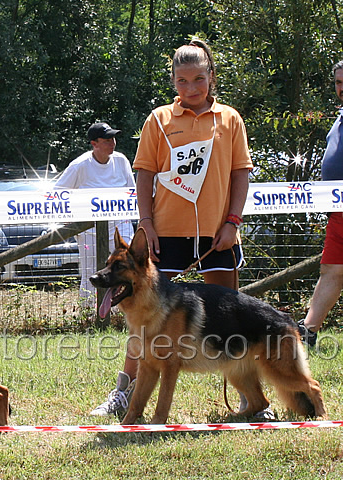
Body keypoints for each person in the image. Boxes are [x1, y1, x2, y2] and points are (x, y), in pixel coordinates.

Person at [90, 39, 258, 419]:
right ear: (173, 83)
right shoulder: (159, 119)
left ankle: (250, 400)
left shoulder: (229, 120)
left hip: (219, 236)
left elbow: (240, 174)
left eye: (199, 79)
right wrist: (146, 225)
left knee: (230, 319)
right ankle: (124, 393)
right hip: (163, 237)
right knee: (143, 323)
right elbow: (144, 174)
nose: (192, 88)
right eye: (182, 81)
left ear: (212, 77)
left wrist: (233, 222)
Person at [54, 122, 135, 308]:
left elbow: (132, 192)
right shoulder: (79, 166)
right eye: (107, 140)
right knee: (91, 272)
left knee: (126, 268)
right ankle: (90, 313)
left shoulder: (121, 160)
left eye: (113, 139)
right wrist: (72, 221)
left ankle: (126, 310)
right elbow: (57, 194)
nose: (112, 143)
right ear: (94, 144)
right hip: (89, 231)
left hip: (120, 227)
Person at [298, 60, 343, 348]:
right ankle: (308, 331)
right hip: (338, 211)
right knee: (332, 270)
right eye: (339, 83)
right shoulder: (340, 116)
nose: (342, 89)